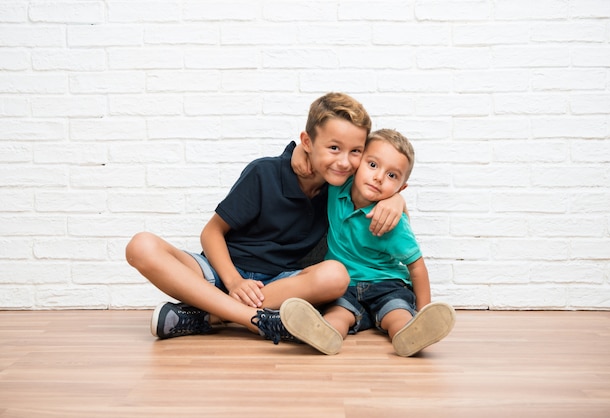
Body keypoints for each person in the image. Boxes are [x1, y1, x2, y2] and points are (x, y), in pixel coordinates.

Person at [125, 93, 406, 344]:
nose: (344, 162)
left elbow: (382, 180)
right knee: (141, 246)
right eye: (334, 148)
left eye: (355, 151)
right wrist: (234, 282)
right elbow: (211, 233)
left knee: (335, 276)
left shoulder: (342, 189)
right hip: (222, 272)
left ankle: (209, 317)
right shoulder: (264, 172)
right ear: (307, 142)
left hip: (276, 286)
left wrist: (397, 199)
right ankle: (256, 321)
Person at [279, 129, 456, 356]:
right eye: (372, 165)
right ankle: (324, 333)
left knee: (397, 313)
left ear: (401, 188)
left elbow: (417, 266)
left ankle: (413, 333)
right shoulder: (337, 188)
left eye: (392, 176)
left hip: (387, 284)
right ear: (357, 162)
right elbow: (318, 156)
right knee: (338, 314)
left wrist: (423, 311)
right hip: (345, 285)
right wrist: (298, 153)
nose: (379, 177)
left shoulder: (392, 222)